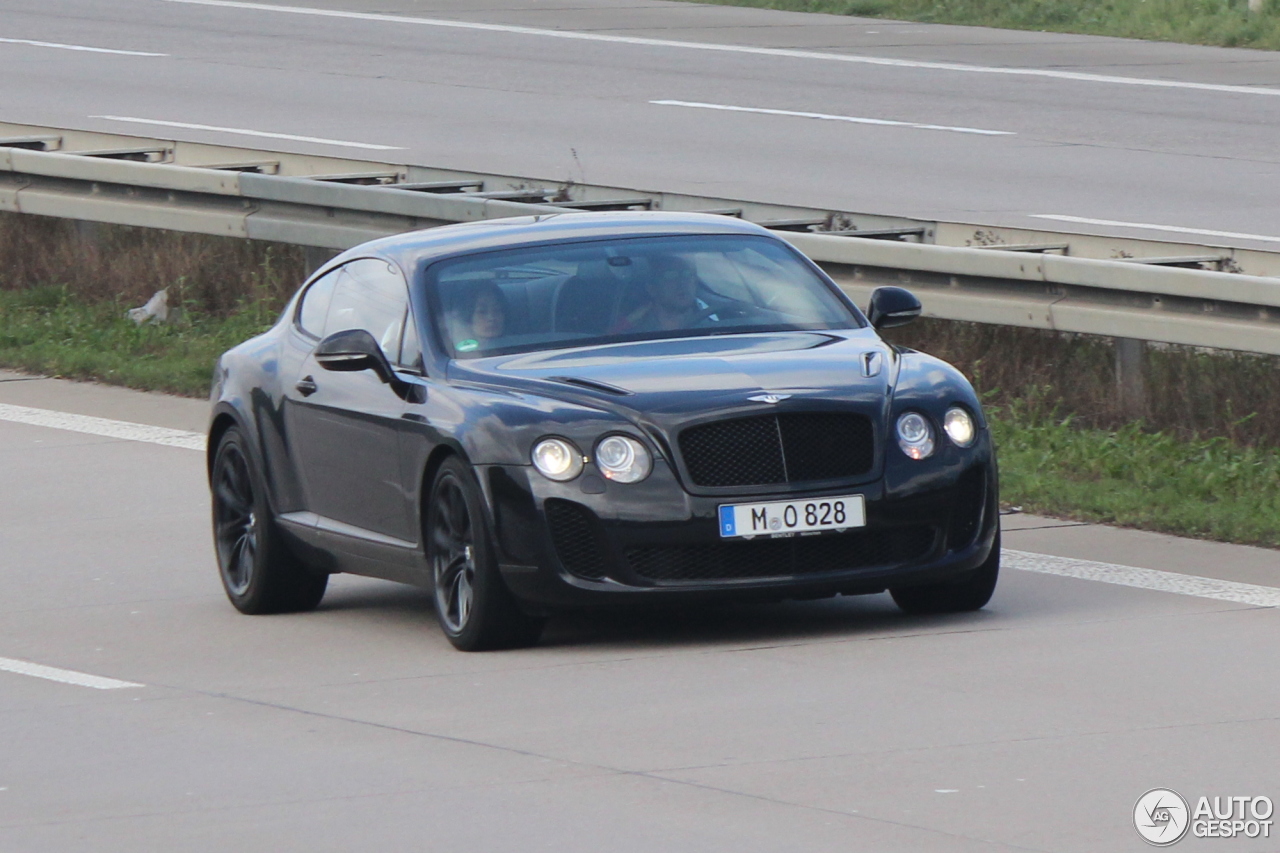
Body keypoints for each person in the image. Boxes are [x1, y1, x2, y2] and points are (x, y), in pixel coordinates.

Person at [612, 255, 713, 334]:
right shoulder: (634, 333)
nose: (682, 283)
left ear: (695, 283)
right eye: (670, 276)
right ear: (652, 289)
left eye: (687, 274)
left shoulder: (715, 327)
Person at [450, 281, 506, 352]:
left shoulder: (519, 350)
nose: (491, 318)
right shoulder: (457, 355)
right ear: (467, 316)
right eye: (482, 312)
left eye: (497, 310)